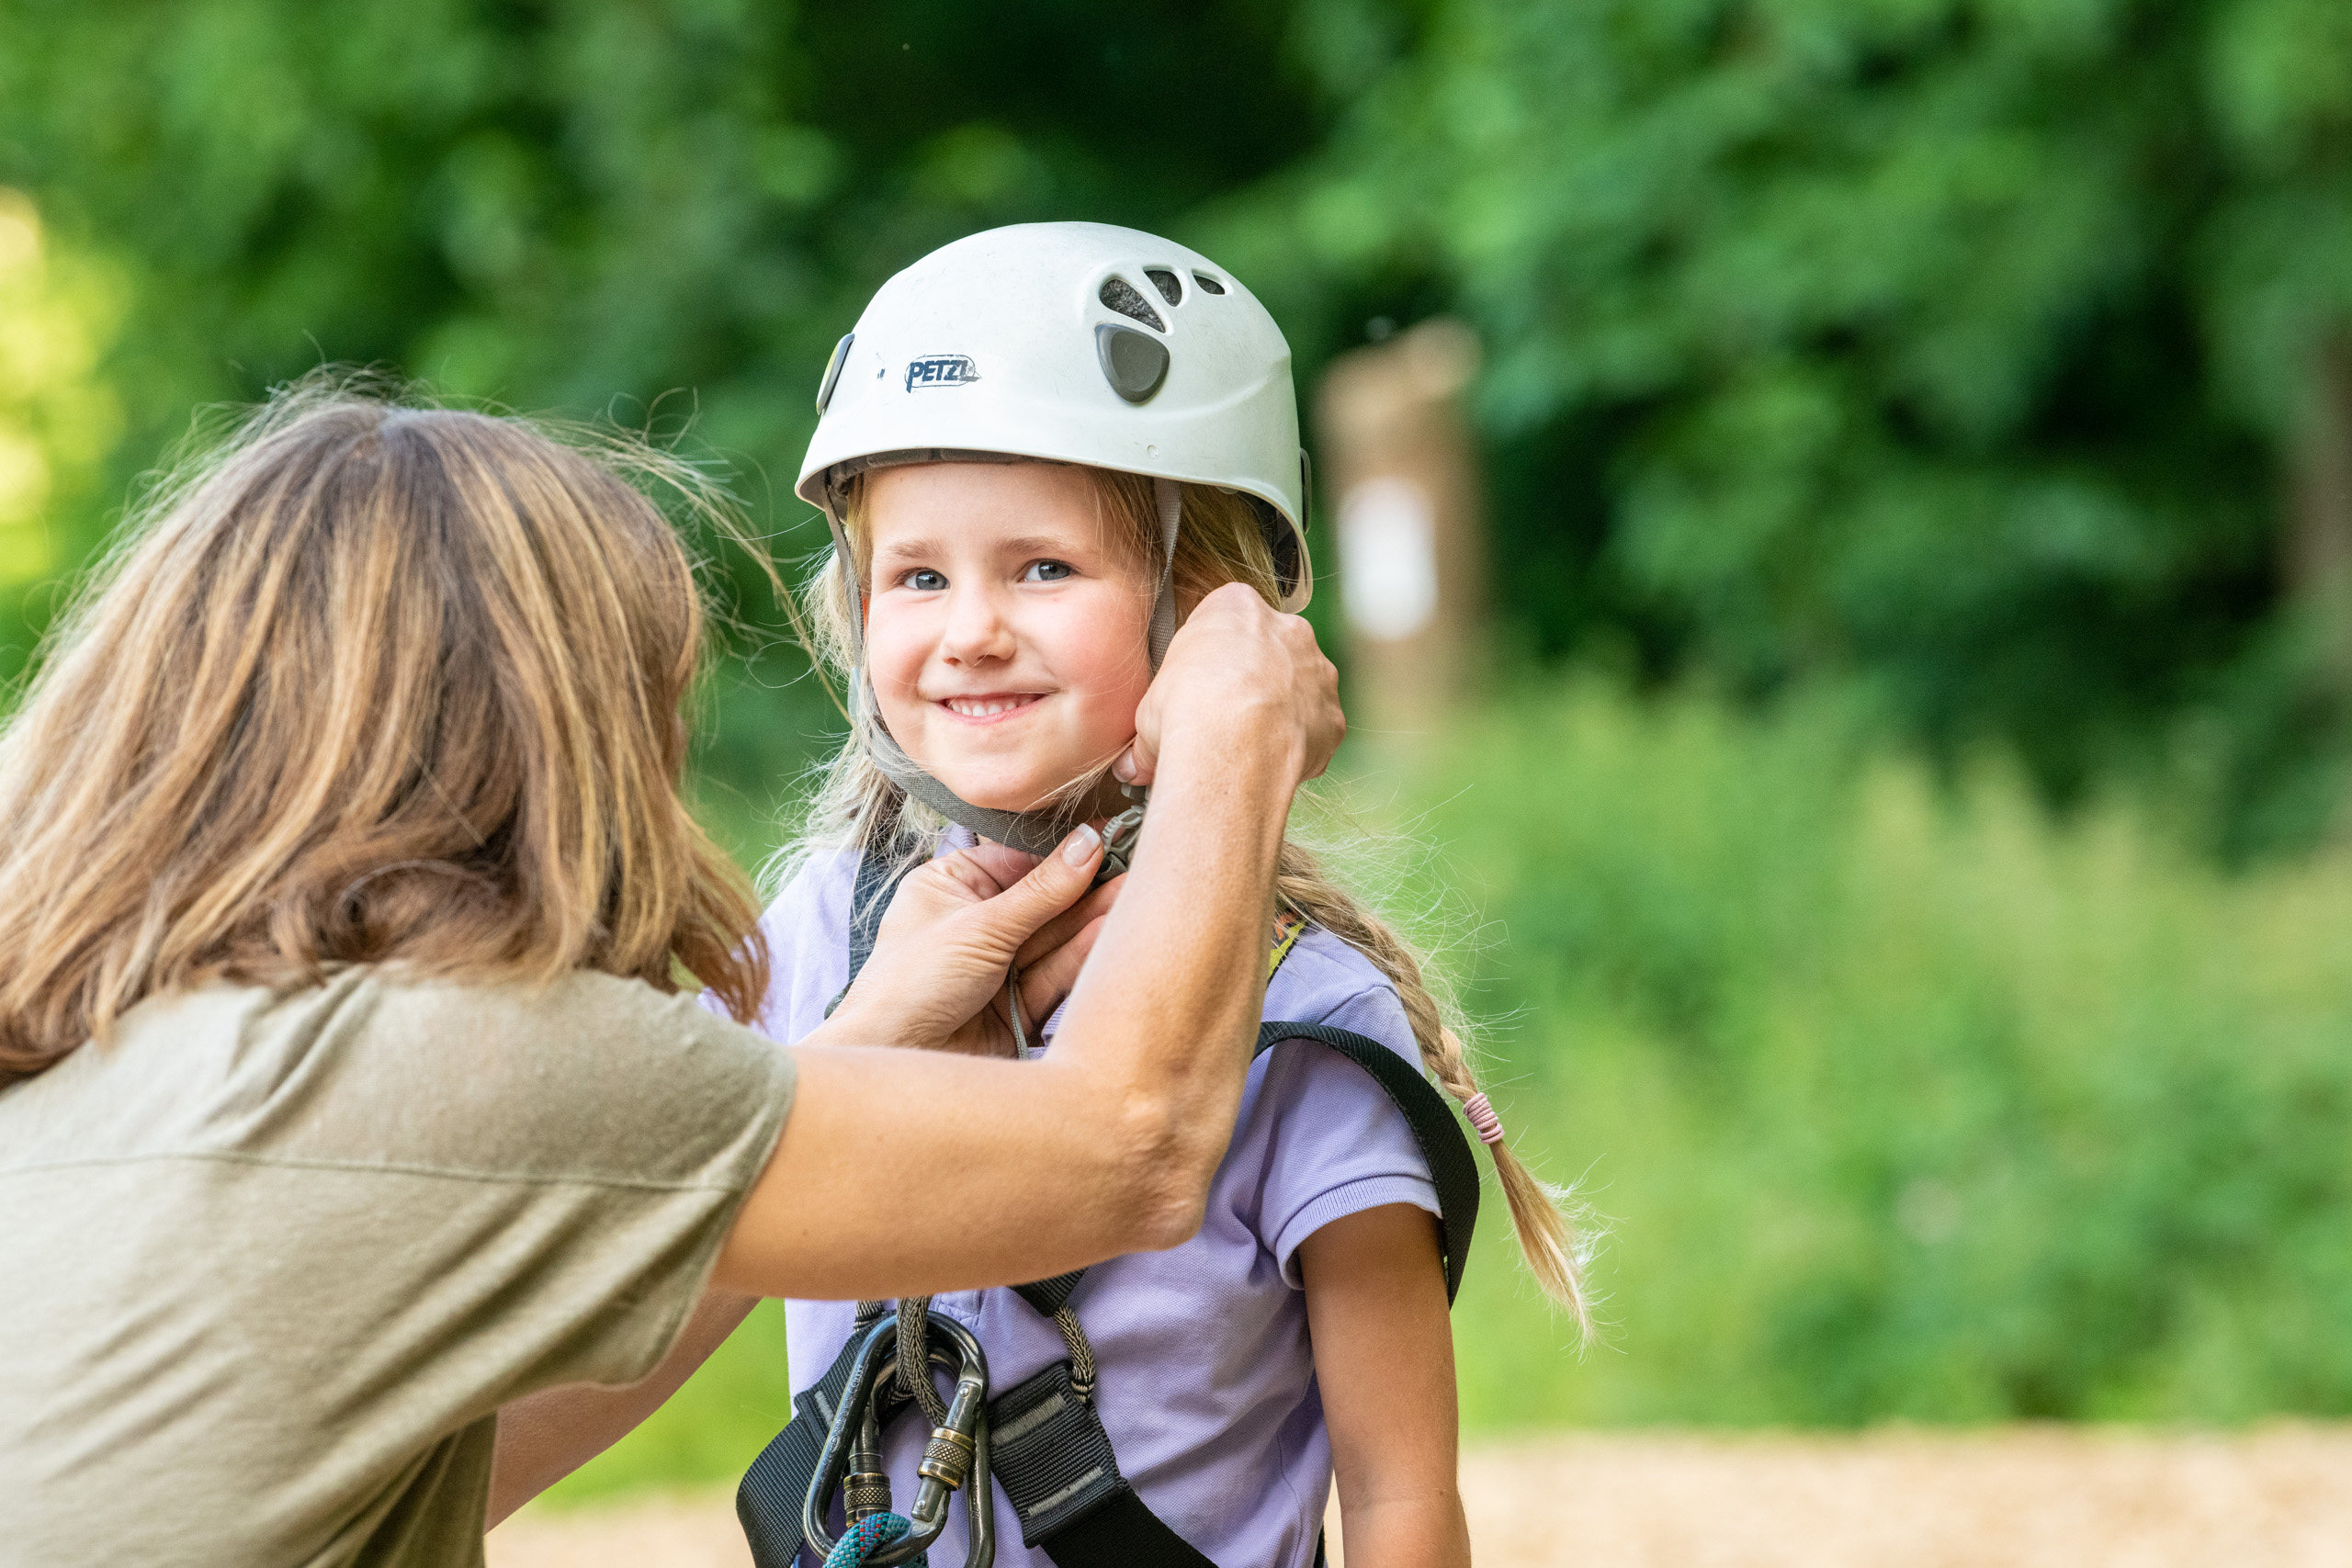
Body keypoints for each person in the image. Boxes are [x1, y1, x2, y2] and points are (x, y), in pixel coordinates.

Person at [0, 378, 1343, 1568]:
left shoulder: (110, 1050)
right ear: (541, 737)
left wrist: (867, 1038)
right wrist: (1234, 736)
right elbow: (1135, 1147)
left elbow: (466, 1459)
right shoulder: (452, 1054)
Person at [735, 223, 1592, 1568]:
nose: (970, 630)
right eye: (917, 575)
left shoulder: (1303, 1016)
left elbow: (1402, 1493)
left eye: (1044, 567)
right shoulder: (819, 939)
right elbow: (652, 1237)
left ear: (1208, 605)